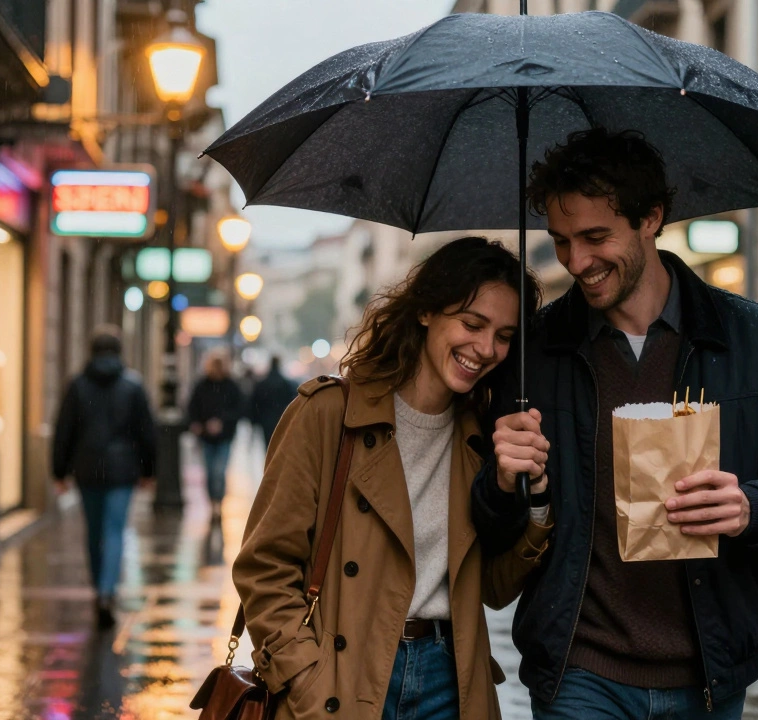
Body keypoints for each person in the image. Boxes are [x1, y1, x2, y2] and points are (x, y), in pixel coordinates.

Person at [471, 128, 758, 720]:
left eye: (595, 237)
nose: (577, 262)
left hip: (710, 676)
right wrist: (500, 476)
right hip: (579, 672)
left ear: (651, 218)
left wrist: (752, 506)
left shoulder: (750, 336)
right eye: (561, 241)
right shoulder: (534, 354)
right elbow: (491, 530)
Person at [234, 237, 553, 720]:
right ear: (426, 311)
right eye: (472, 323)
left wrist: (529, 498)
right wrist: (304, 676)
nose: (485, 349)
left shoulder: (483, 436)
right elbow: (265, 568)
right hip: (344, 680)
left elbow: (493, 587)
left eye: (505, 335)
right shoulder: (329, 415)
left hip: (453, 682)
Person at [52, 325, 157, 630]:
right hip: (121, 471)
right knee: (114, 531)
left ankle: (99, 587)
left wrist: (59, 471)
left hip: (87, 468)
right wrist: (149, 470)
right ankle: (106, 592)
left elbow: (64, 431)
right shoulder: (132, 385)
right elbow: (146, 433)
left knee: (93, 532)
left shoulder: (78, 385)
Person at [187, 349, 246, 515]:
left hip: (225, 436)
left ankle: (218, 502)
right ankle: (212, 501)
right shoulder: (202, 385)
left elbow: (239, 409)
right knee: (209, 471)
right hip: (206, 437)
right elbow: (193, 407)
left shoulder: (231, 386)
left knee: (219, 471)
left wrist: (223, 422)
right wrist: (198, 423)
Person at [249, 355, 299, 447]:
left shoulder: (262, 384)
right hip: (281, 418)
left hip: (266, 420)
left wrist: (254, 420)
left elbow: (255, 403)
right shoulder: (286, 384)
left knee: (268, 446)